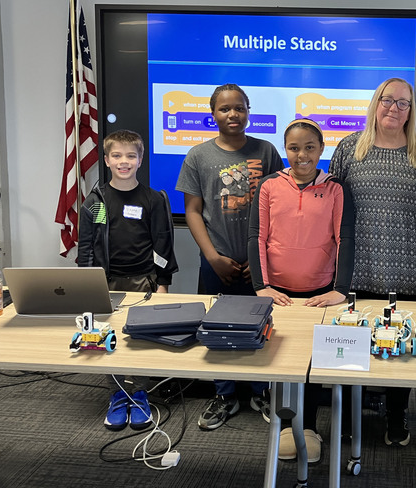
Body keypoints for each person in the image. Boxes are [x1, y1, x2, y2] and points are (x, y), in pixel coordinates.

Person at [329, 77, 416, 446]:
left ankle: (398, 414)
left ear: (412, 111)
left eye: (403, 103)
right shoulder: (350, 148)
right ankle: (349, 415)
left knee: (401, 351)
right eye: (388, 100)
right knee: (349, 347)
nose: (394, 108)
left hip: (406, 270)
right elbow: (332, 208)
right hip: (354, 271)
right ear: (375, 103)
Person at [176, 83, 283, 431]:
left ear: (249, 111)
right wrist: (212, 256)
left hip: (260, 263)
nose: (233, 114)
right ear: (213, 115)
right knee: (217, 329)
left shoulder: (266, 151)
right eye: (224, 109)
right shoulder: (198, 156)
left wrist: (262, 254)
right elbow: (192, 211)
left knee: (261, 324)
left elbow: (276, 208)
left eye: (239, 108)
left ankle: (261, 392)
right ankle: (224, 395)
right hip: (217, 260)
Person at [248, 118, 354, 463]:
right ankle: (284, 425)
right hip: (277, 292)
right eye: (294, 147)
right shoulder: (268, 186)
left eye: (309, 147)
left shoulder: (336, 188)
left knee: (311, 366)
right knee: (279, 362)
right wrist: (261, 286)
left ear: (322, 150)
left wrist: (340, 289)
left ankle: (308, 428)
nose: (301, 154)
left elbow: (346, 239)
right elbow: (257, 238)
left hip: (319, 294)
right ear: (285, 149)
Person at [78, 129, 179, 432]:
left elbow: (163, 244)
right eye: (117, 156)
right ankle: (117, 395)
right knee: (107, 341)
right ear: (107, 160)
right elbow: (86, 246)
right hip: (106, 283)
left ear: (140, 159)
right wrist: (88, 284)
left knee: (140, 342)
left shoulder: (153, 199)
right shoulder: (96, 201)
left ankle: (139, 395)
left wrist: (162, 283)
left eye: (131, 156)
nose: (124, 162)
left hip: (144, 283)